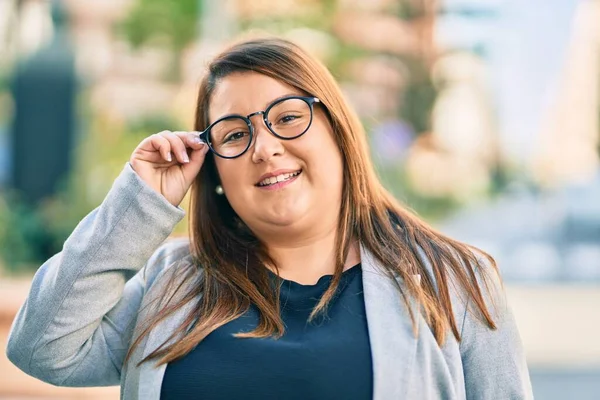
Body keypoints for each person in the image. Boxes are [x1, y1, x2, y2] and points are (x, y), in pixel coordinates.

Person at [6, 37, 533, 400]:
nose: (265, 148)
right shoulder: (174, 282)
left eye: (287, 118)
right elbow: (43, 349)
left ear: (337, 131)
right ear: (213, 169)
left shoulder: (454, 282)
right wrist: (138, 205)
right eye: (235, 134)